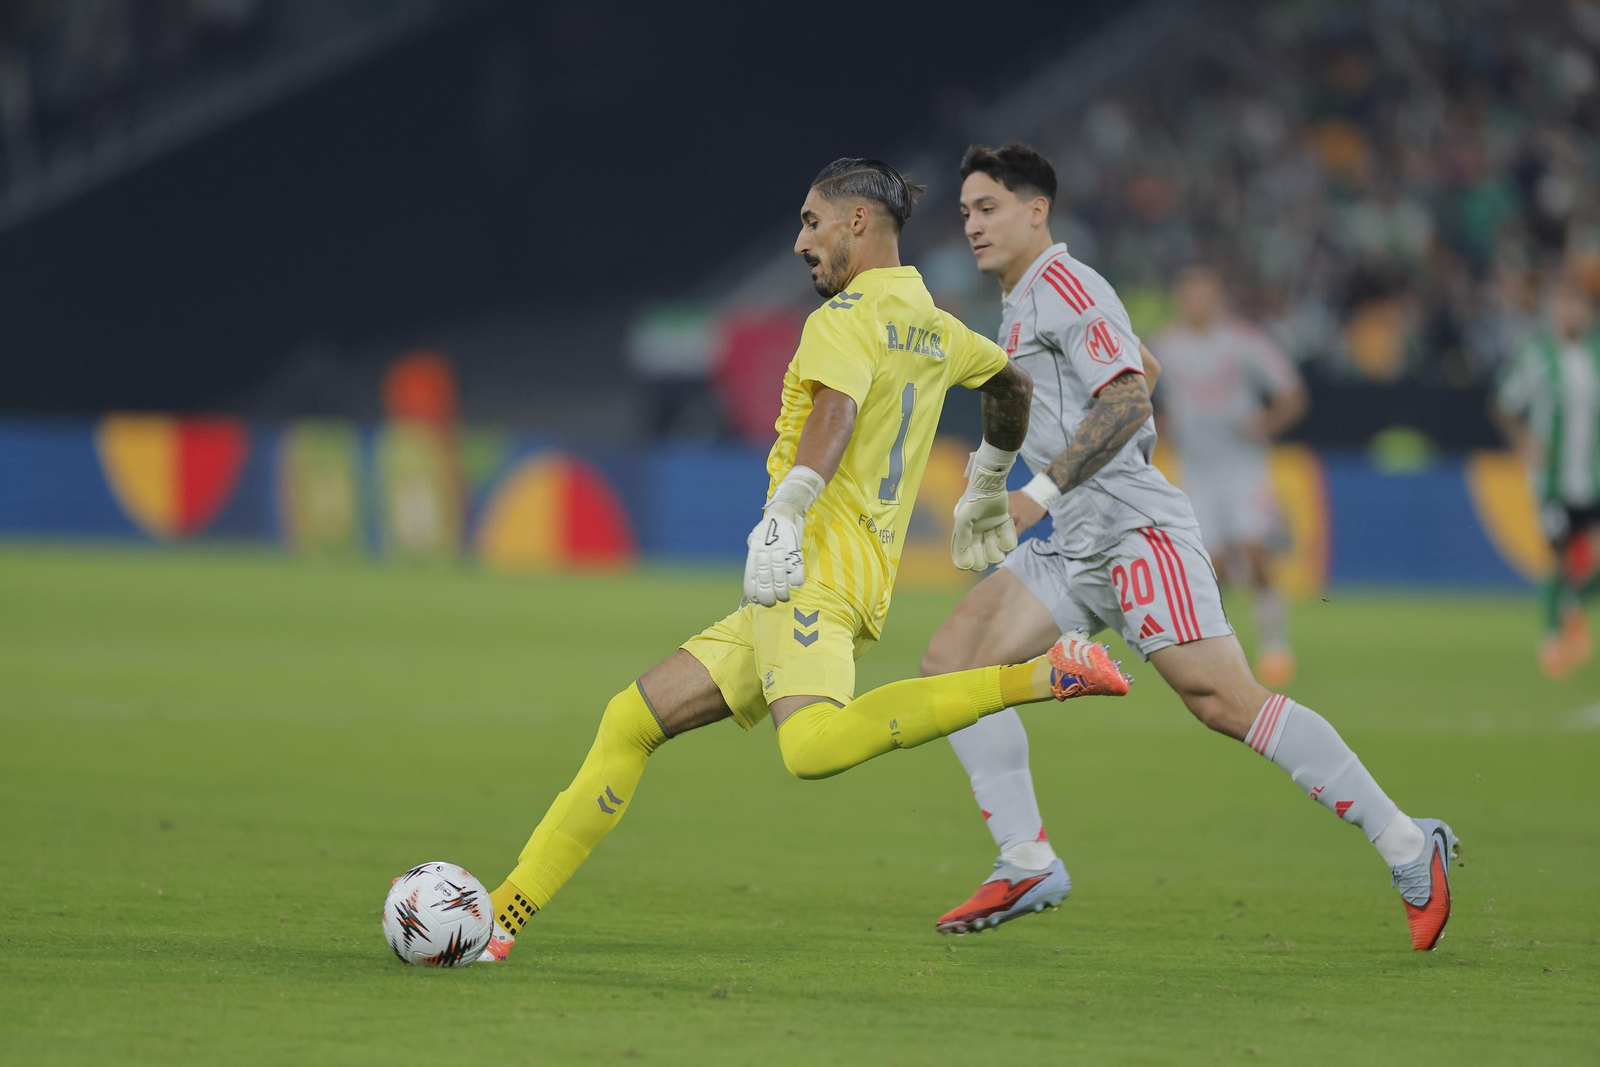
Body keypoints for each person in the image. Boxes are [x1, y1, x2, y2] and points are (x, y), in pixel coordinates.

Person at [476, 158, 1132, 962]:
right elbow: (1012, 387)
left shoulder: (843, 318)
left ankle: (1042, 675)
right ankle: (501, 917)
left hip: (809, 568)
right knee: (632, 719)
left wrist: (787, 510)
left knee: (811, 747)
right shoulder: (935, 325)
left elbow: (836, 411)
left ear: (858, 223)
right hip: (844, 578)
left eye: (812, 222)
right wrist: (989, 484)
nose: (799, 242)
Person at [926, 142, 1457, 951]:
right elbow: (1143, 362)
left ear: (1037, 211)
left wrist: (1038, 492)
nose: (972, 224)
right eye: (966, 210)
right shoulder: (1023, 300)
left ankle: (1409, 843)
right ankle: (1026, 857)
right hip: (1077, 541)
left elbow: (1129, 399)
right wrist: (1002, 476)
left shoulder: (1067, 287)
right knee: (952, 662)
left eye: (988, 207)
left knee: (1223, 701)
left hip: (1133, 530)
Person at [1153, 263, 1308, 686]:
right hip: (1196, 468)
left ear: (1217, 297)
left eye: (1204, 293)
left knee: (1255, 552)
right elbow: (1141, 392)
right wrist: (1160, 428)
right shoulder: (1164, 345)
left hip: (1243, 465)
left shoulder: (1245, 342)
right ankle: (1217, 653)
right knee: (1211, 566)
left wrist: (1267, 424)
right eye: (1190, 293)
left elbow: (1293, 394)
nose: (1196, 302)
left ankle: (1275, 645)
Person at [1494, 275, 1600, 678]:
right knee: (1557, 558)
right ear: (1553, 311)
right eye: (1563, 304)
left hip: (1593, 479)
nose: (1571, 313)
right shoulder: (1538, 355)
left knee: (1593, 559)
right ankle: (1551, 641)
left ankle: (1571, 604)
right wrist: (1523, 441)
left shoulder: (1596, 354)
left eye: (1577, 305)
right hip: (1552, 481)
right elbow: (1504, 403)